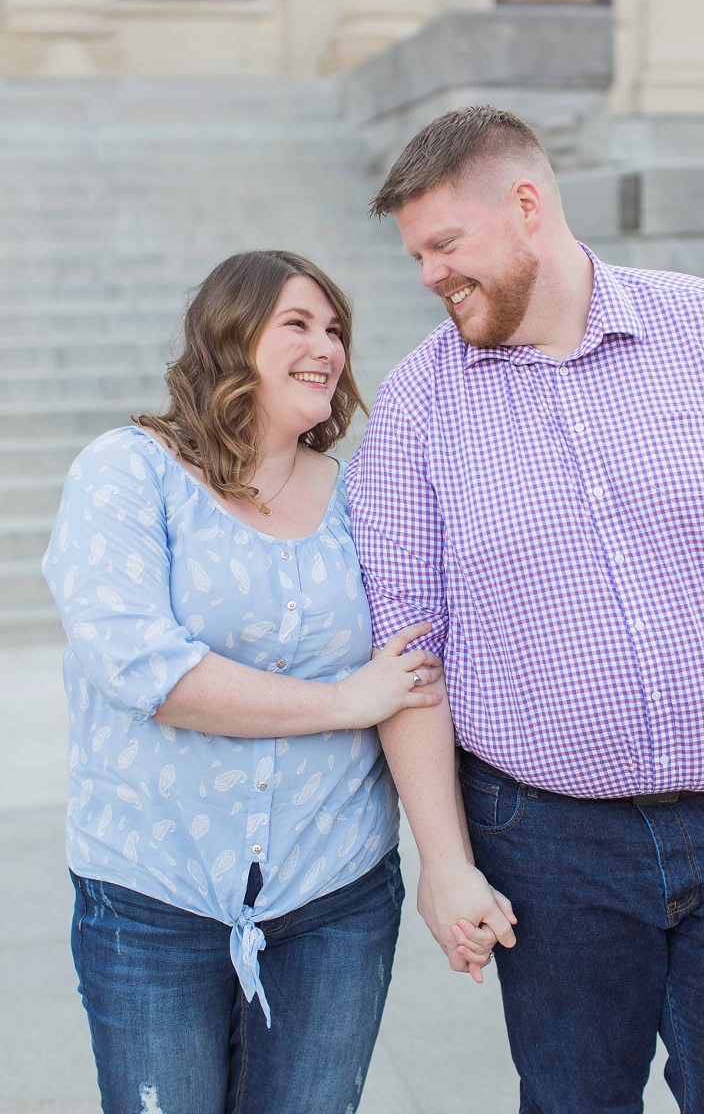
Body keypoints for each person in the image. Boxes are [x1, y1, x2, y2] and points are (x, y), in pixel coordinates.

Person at [346, 105, 704, 1113]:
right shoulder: (414, 410)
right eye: (414, 256)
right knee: (576, 1098)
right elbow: (409, 652)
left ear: (527, 206)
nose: (429, 278)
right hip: (547, 848)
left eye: (445, 245)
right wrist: (445, 868)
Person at [42, 249, 457, 1114]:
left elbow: (414, 666)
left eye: (337, 328)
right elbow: (141, 667)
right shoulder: (129, 472)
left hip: (333, 894)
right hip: (153, 895)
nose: (328, 347)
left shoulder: (362, 494)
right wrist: (344, 701)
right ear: (231, 340)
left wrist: (446, 864)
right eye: (298, 324)